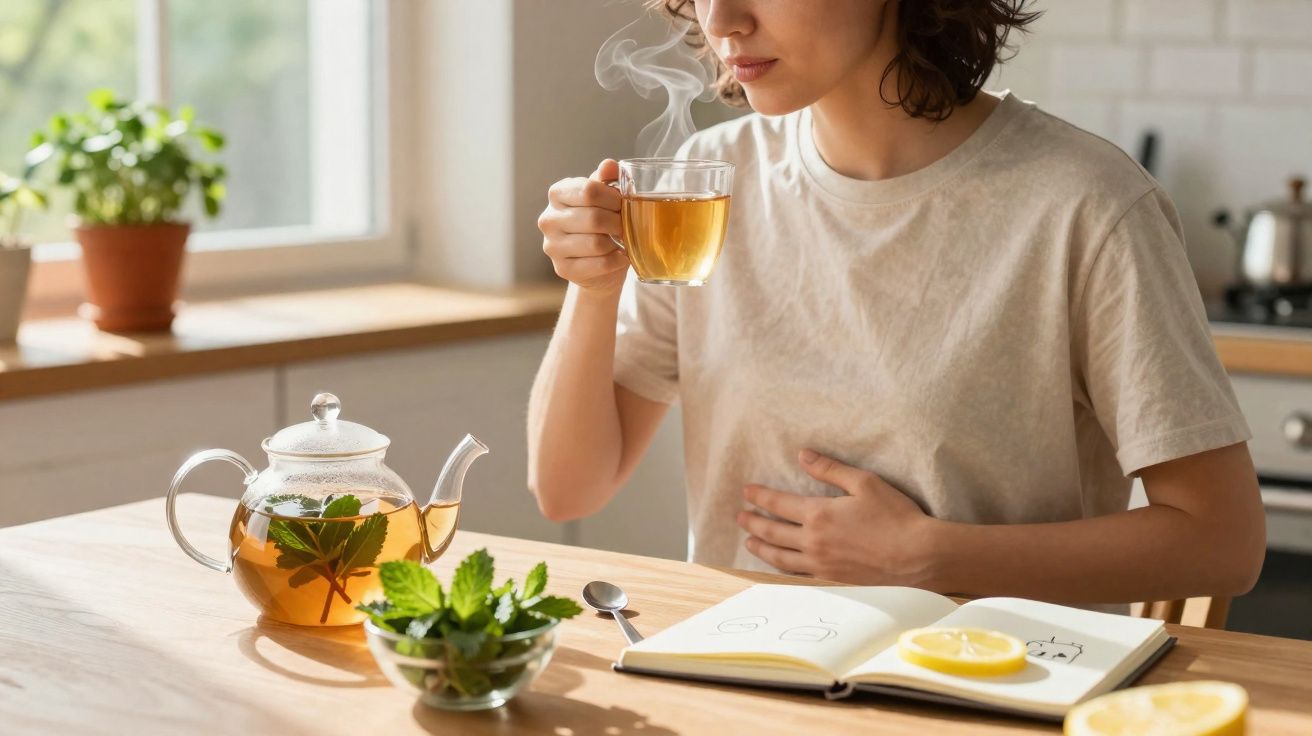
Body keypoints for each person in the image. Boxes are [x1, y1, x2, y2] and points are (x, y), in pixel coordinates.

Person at [527, 0, 1265, 609]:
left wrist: (930, 556)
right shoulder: (704, 183)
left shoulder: (1085, 204)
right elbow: (567, 488)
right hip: (745, 682)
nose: (722, 20)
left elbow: (1222, 542)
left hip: (991, 691)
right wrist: (593, 290)